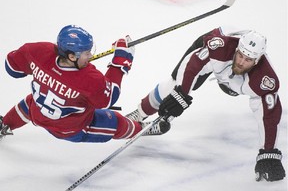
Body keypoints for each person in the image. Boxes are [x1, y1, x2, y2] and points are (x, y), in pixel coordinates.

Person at [126, 26, 286, 182]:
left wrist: (268, 152)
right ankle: (139, 113)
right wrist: (181, 93)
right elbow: (192, 66)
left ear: (257, 60)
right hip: (211, 52)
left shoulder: (265, 79)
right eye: (240, 55)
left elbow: (269, 116)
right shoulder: (219, 47)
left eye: (248, 59)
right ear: (237, 49)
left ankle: (163, 118)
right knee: (174, 85)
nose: (241, 62)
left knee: (191, 90)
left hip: (231, 81)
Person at [0, 25, 170, 143]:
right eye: (87, 53)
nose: (90, 56)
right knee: (115, 122)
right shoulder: (90, 79)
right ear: (72, 57)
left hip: (38, 112)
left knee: (31, 102)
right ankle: (139, 129)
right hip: (70, 129)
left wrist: (44, 72)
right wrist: (120, 62)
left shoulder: (37, 51)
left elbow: (12, 69)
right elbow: (109, 98)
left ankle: (4, 124)